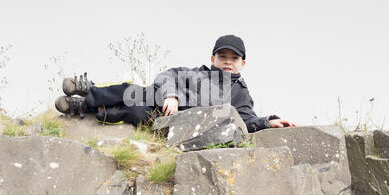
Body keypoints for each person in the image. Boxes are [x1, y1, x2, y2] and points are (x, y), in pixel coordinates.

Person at [55, 35, 296, 132]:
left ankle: (83, 108)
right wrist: (172, 95)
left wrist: (267, 122)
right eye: (223, 57)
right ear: (213, 59)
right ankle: (87, 92)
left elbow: (246, 119)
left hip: (173, 122)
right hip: (159, 99)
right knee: (131, 92)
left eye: (234, 58)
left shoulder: (239, 93)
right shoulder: (197, 73)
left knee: (133, 111)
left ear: (243, 63)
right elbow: (165, 76)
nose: (228, 62)